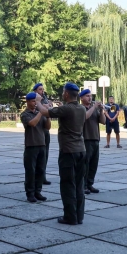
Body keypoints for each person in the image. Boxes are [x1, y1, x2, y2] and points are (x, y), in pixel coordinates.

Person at [35, 82, 86, 225]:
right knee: (79, 184)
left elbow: (44, 113)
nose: (62, 94)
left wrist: (38, 101)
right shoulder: (81, 108)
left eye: (64, 92)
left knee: (67, 184)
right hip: (81, 150)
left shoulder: (66, 109)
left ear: (67, 94)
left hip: (68, 152)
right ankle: (79, 216)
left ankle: (70, 217)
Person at [21, 92, 50, 202]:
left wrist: (47, 115)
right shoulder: (25, 114)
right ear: (28, 102)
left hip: (42, 145)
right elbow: (32, 123)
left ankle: (38, 191)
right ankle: (30, 193)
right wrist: (42, 112)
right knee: (30, 171)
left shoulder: (39, 113)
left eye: (36, 101)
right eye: (33, 101)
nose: (35, 103)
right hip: (31, 146)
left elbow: (47, 127)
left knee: (40, 170)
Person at [79, 89, 105, 195]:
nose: (90, 98)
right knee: (86, 164)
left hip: (95, 138)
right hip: (86, 139)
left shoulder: (94, 109)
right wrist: (94, 107)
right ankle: (83, 185)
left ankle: (90, 184)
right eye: (87, 96)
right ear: (81, 98)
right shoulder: (80, 108)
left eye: (90, 96)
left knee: (94, 164)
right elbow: (85, 117)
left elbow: (103, 121)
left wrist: (102, 110)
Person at [32, 83, 52, 185]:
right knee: (36, 156)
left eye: (43, 89)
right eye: (40, 89)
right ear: (35, 91)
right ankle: (36, 176)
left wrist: (49, 106)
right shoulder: (33, 100)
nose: (42, 91)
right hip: (37, 130)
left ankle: (42, 175)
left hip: (45, 129)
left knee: (45, 154)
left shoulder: (44, 99)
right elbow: (33, 111)